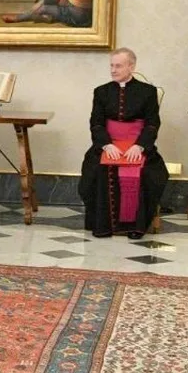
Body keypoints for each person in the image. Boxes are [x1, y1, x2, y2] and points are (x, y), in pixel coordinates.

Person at [77, 48, 167, 238]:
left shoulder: (148, 92)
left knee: (148, 173)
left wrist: (139, 146)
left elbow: (152, 123)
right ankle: (103, 225)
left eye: (118, 66)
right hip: (109, 144)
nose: (113, 70)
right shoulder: (101, 91)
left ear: (131, 67)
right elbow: (96, 123)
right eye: (111, 65)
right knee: (95, 170)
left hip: (137, 144)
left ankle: (135, 226)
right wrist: (106, 145)